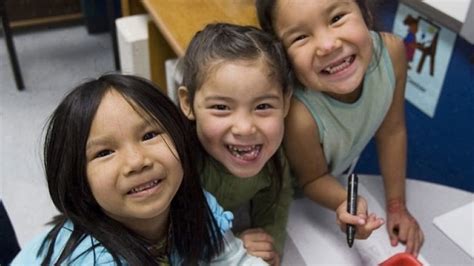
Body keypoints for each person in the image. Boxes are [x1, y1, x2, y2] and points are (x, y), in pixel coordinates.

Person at [12, 74, 267, 265]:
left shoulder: (194, 203)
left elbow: (234, 261)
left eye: (149, 135)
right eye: (104, 152)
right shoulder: (93, 259)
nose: (136, 162)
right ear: (78, 182)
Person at [256, 0, 424, 257]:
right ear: (282, 55)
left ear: (365, 11)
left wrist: (396, 205)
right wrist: (347, 203)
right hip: (275, 202)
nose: (327, 45)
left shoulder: (393, 53)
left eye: (336, 19)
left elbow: (392, 131)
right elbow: (312, 179)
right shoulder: (299, 114)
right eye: (300, 37)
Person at [177, 23, 294, 265]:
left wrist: (270, 246)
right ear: (188, 103)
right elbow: (166, 241)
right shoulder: (176, 163)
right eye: (221, 107)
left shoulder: (274, 159)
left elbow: (274, 208)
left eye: (263, 106)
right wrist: (230, 247)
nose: (245, 128)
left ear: (286, 102)